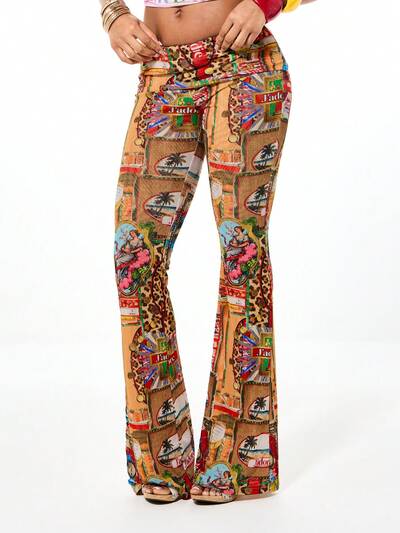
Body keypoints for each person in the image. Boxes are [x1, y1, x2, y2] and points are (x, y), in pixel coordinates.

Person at [100, 0, 317, 504]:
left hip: (242, 67)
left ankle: (236, 461)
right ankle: (163, 456)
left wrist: (266, 5)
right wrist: (113, 14)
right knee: (134, 254)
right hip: (162, 70)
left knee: (242, 252)